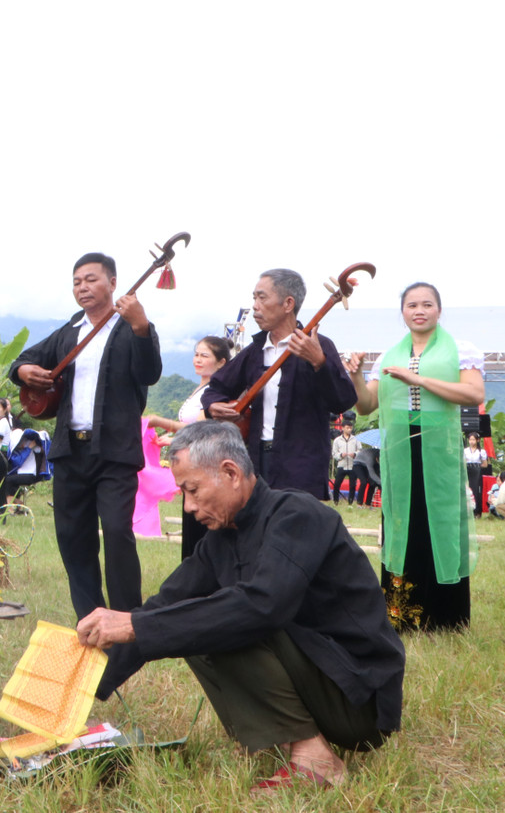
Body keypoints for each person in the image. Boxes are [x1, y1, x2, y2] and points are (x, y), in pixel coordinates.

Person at [77, 422, 405, 789]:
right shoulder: (220, 539)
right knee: (180, 622)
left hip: (357, 696)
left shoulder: (298, 515)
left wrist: (138, 626)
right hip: (322, 686)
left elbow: (264, 607)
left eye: (193, 490)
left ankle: (316, 759)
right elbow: (160, 609)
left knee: (218, 619)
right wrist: (80, 691)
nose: (189, 507)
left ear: (230, 472)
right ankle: (290, 733)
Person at [9, 252, 161, 617]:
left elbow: (150, 372)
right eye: (77, 281)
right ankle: (89, 616)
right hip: (69, 450)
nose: (82, 287)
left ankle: (126, 619)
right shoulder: (71, 330)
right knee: (73, 536)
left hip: (114, 452)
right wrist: (27, 370)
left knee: (116, 533)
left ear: (112, 283)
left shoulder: (131, 326)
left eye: (91, 279)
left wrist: (142, 328)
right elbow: (23, 362)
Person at [347, 282, 484, 631]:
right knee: (400, 524)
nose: (419, 310)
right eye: (411, 305)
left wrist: (417, 379)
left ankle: (445, 617)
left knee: (438, 521)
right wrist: (357, 376)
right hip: (398, 450)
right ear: (403, 312)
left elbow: (473, 392)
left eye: (427, 304)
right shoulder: (389, 355)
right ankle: (401, 616)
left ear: (439, 310)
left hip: (438, 448)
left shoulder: (459, 350)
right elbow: (366, 406)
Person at [204, 269, 357, 499]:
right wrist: (213, 405)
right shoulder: (255, 351)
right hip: (257, 462)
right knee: (258, 530)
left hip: (302, 465)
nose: (255, 305)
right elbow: (216, 388)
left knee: (295, 530)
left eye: (262, 297)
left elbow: (343, 400)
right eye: (254, 297)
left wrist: (319, 362)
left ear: (288, 304)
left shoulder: (319, 345)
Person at [147, 336, 232, 558]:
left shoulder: (216, 392)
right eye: (196, 354)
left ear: (221, 362)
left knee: (202, 528)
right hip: (192, 462)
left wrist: (165, 427)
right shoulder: (201, 387)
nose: (198, 360)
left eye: (205, 356)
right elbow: (190, 426)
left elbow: (204, 430)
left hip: (206, 465)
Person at [331, 425, 361, 506]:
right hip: (342, 465)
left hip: (352, 465)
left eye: (351, 428)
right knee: (337, 484)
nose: (349, 429)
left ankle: (350, 503)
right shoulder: (337, 440)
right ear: (343, 428)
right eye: (347, 428)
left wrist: (355, 454)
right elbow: (334, 453)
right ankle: (335, 501)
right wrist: (340, 455)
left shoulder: (356, 439)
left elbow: (360, 450)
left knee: (352, 485)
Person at [463, 433, 487, 517]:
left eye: (473, 439)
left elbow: (485, 464)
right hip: (467, 469)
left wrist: (477, 467)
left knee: (476, 490)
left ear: (477, 440)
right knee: (467, 488)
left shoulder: (481, 451)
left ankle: (476, 511)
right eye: (470, 440)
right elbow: (463, 462)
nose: (471, 441)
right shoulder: (465, 450)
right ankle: (467, 510)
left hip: (476, 470)